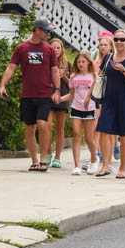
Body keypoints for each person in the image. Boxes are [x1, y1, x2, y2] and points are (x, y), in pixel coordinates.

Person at [0, 18, 60, 172]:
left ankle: (44, 158)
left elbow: (54, 70)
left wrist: (57, 89)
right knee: (29, 127)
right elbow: (11, 68)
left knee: (43, 123)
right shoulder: (22, 48)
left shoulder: (49, 49)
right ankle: (34, 160)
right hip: (27, 94)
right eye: (46, 31)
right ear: (37, 30)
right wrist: (2, 85)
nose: (48, 33)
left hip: (45, 93)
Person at [95, 29, 125, 179]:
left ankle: (123, 168)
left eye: (122, 40)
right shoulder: (108, 57)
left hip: (124, 99)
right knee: (104, 131)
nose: (119, 42)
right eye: (116, 39)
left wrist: (123, 70)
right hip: (108, 99)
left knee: (123, 135)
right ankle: (106, 165)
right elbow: (100, 75)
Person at [68, 50, 98, 174]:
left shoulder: (93, 76)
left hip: (89, 109)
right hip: (76, 108)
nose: (81, 64)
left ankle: (94, 159)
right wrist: (58, 99)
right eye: (79, 62)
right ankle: (76, 166)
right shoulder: (73, 76)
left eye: (83, 61)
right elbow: (71, 95)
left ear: (88, 62)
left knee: (89, 139)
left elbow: (96, 93)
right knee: (76, 135)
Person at [90, 30, 113, 171]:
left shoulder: (114, 60)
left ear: (110, 46)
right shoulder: (95, 62)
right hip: (98, 96)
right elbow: (94, 80)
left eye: (105, 44)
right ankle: (98, 152)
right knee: (96, 126)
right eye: (101, 45)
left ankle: (108, 160)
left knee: (109, 130)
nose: (102, 47)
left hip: (110, 97)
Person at [48, 36, 71, 168]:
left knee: (59, 128)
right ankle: (48, 153)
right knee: (47, 125)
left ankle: (58, 157)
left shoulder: (67, 64)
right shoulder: (46, 62)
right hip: (48, 96)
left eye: (58, 48)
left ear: (62, 49)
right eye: (53, 47)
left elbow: (72, 85)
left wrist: (64, 76)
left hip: (62, 97)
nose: (55, 50)